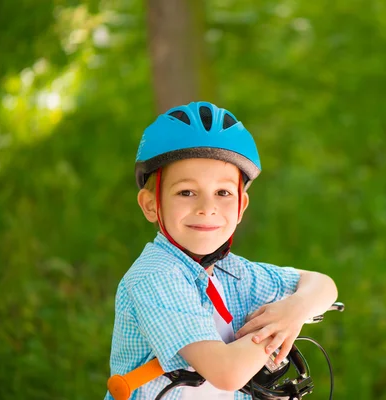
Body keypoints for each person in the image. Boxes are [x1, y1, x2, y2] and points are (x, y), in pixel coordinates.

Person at [105, 101, 338, 399]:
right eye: (186, 192)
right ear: (151, 204)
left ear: (241, 206)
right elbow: (227, 372)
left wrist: (294, 310)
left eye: (223, 193)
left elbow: (322, 284)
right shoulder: (155, 276)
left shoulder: (233, 272)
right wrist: (274, 330)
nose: (207, 209)